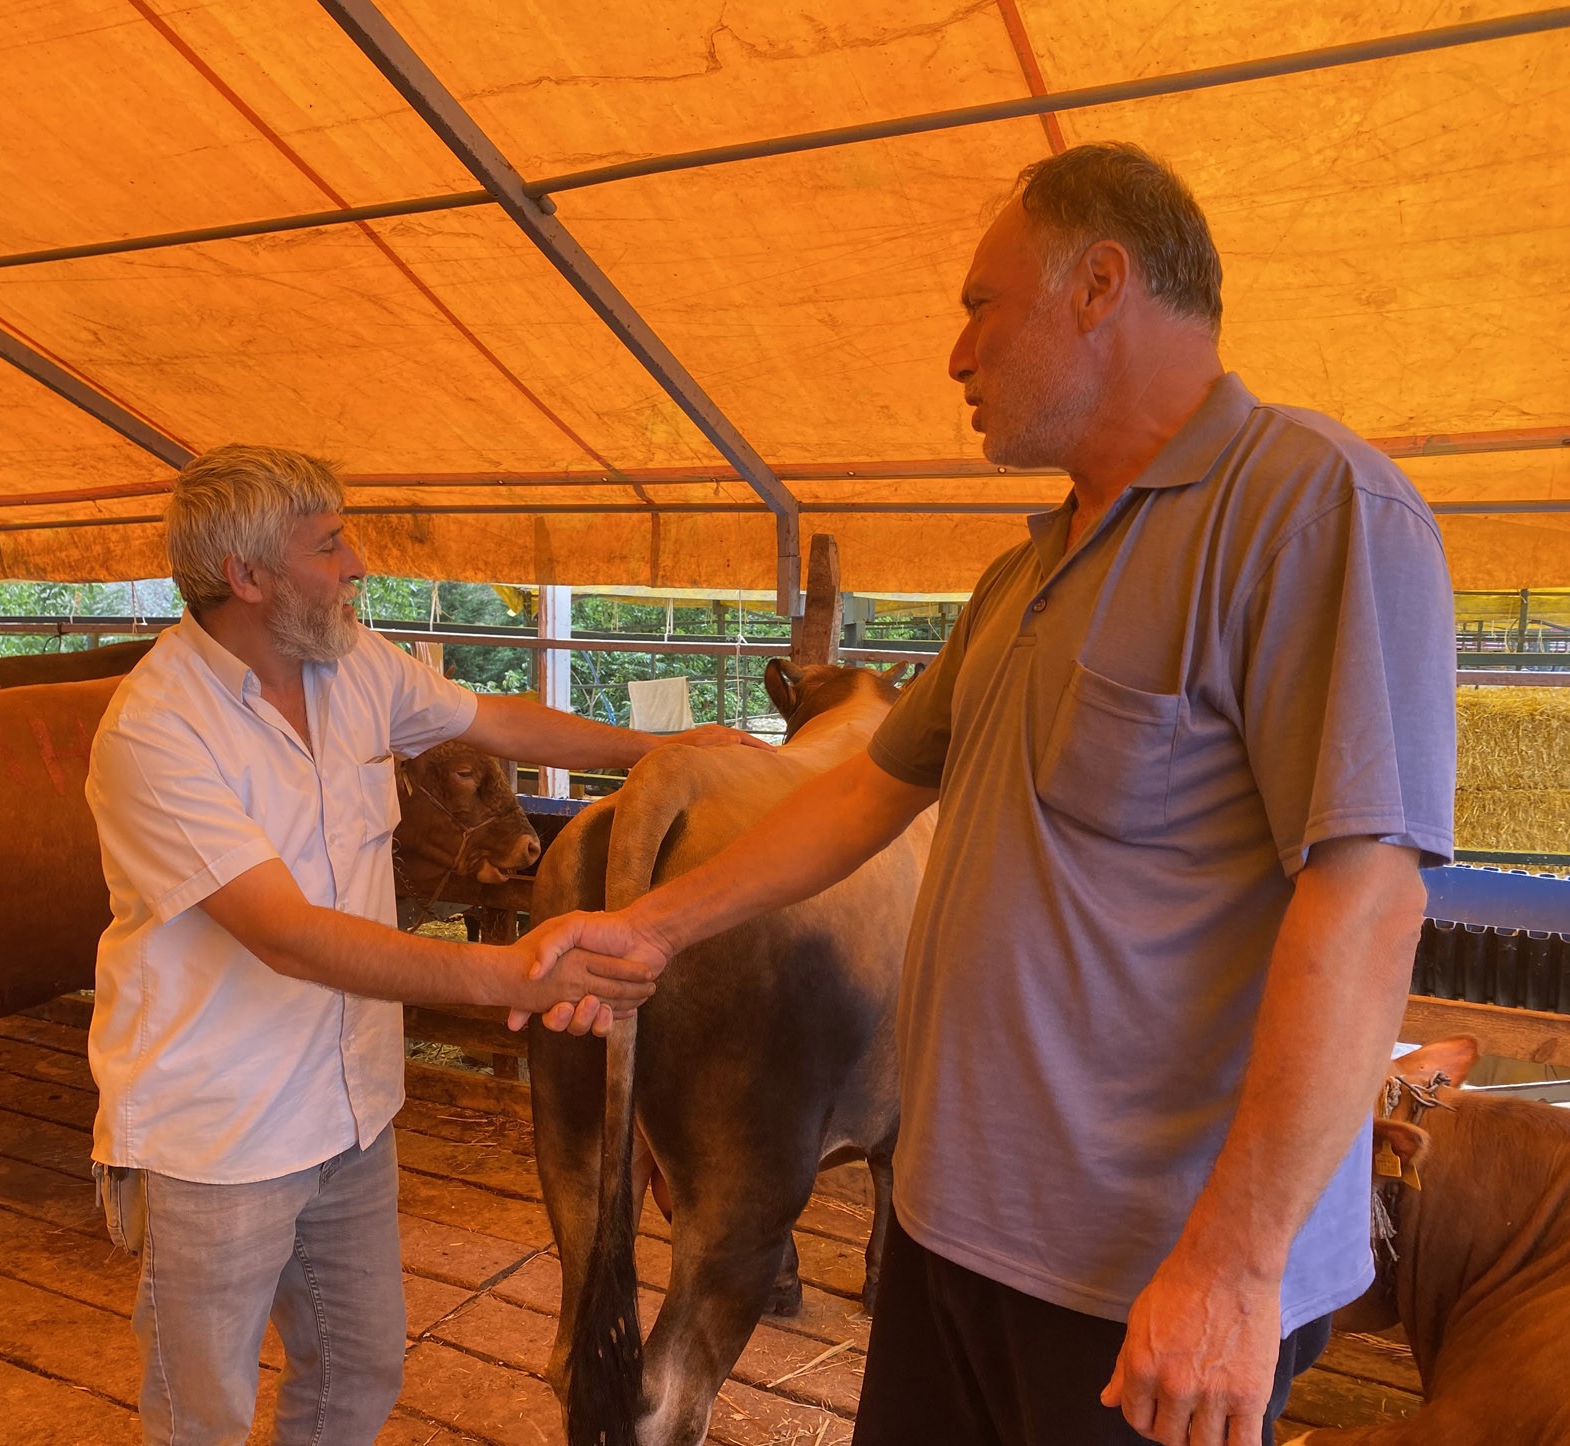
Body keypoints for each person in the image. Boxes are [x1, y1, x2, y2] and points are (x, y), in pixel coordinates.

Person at [532, 143, 1456, 1446]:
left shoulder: (1311, 509)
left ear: (1099, 285)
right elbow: (866, 786)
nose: (957, 356)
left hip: (1144, 1275)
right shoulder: (1020, 579)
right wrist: (659, 926)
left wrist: (1236, 1270)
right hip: (953, 1228)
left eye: (979, 304)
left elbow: (1368, 902)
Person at [84, 444, 764, 1445]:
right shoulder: (157, 731)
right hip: (217, 1133)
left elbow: (494, 720)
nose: (356, 562)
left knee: (359, 1366)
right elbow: (287, 937)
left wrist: (657, 749)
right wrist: (519, 971)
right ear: (248, 576)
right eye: (330, 544)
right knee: (202, 1413)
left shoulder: (351, 666)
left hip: (349, 1109)